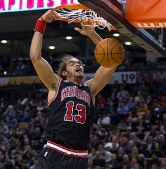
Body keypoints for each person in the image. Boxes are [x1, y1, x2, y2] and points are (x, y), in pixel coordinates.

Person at [30, 10, 118, 168]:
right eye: (73, 63)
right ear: (64, 72)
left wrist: (92, 34)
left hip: (79, 156)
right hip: (55, 151)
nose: (79, 65)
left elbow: (112, 60)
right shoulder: (56, 84)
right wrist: (41, 23)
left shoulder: (91, 89)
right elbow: (35, 57)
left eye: (80, 64)